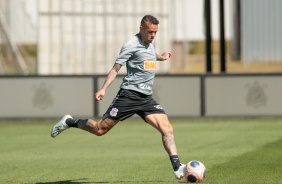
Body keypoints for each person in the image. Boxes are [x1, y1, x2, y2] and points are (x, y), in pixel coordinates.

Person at [51, 14, 185, 180]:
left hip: (146, 98)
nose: (153, 35)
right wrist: (103, 89)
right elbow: (115, 69)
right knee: (100, 129)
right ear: (141, 29)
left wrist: (161, 57)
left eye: (155, 32)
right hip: (128, 95)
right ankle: (69, 122)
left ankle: (177, 167)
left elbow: (149, 54)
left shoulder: (150, 42)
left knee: (167, 129)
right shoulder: (130, 45)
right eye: (150, 32)